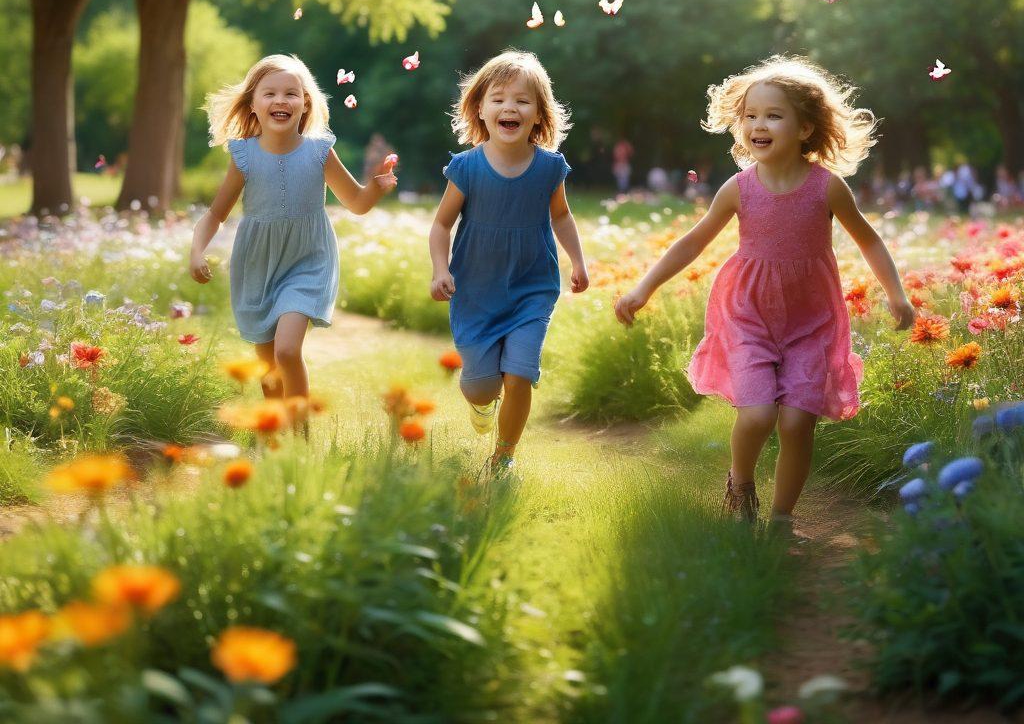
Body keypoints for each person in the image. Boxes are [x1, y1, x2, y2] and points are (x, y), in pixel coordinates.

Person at [614, 55, 914, 535]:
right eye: (751, 115)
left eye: (773, 115)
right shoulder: (738, 189)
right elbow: (693, 241)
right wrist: (643, 287)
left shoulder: (827, 188)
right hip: (748, 316)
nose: (758, 124)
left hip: (810, 323)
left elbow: (869, 239)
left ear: (805, 128)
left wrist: (896, 295)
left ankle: (781, 519)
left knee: (797, 424)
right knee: (755, 415)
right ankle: (740, 483)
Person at [190, 54, 397, 405]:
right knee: (268, 366)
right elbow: (215, 214)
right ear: (253, 105)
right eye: (269, 94)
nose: (280, 100)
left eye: (291, 93)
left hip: (308, 260)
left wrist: (376, 186)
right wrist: (197, 251)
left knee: (287, 351)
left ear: (305, 104)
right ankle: (275, 433)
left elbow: (357, 203)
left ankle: (299, 434)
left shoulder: (320, 152)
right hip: (258, 264)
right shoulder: (243, 155)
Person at [429, 50, 589, 477]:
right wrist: (440, 269)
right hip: (476, 291)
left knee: (519, 374)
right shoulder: (466, 167)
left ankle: (504, 456)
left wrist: (577, 260)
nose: (509, 107)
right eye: (498, 99)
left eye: (521, 100)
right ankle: (482, 407)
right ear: (480, 109)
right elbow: (442, 224)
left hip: (531, 288)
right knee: (480, 387)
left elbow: (561, 215)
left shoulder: (550, 167)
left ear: (539, 114)